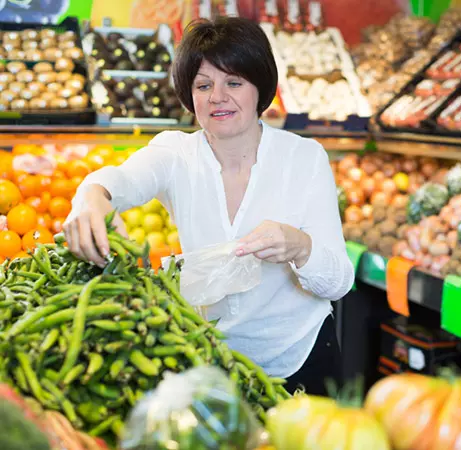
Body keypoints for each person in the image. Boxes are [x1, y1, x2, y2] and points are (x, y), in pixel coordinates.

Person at [63, 17, 353, 395]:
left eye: (234, 82)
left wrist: (299, 245)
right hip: (210, 362)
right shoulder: (176, 153)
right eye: (203, 85)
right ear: (189, 94)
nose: (217, 96)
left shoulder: (304, 158)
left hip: (299, 355)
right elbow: (123, 179)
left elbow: (339, 282)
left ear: (259, 88)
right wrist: (91, 196)